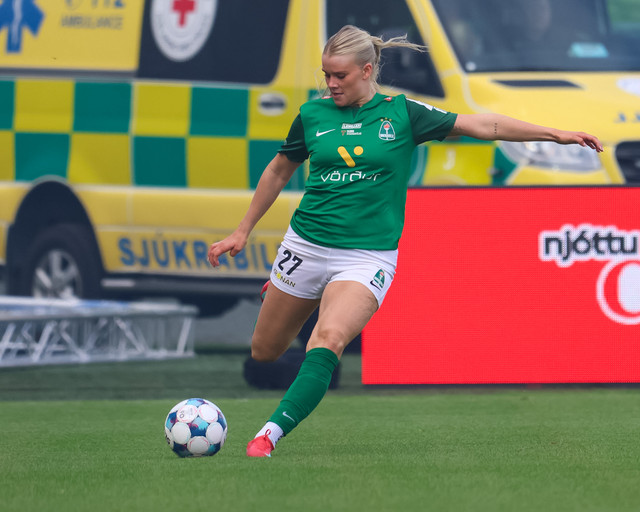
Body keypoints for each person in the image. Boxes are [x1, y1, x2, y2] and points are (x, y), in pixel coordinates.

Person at [207, 25, 603, 458]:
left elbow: (481, 124)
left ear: (367, 70)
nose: (331, 84)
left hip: (366, 256)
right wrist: (242, 230)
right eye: (326, 75)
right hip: (306, 246)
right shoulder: (312, 115)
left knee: (329, 338)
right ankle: (285, 289)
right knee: (265, 351)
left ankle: (268, 435)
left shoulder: (402, 113)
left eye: (340, 75)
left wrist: (555, 134)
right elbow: (279, 170)